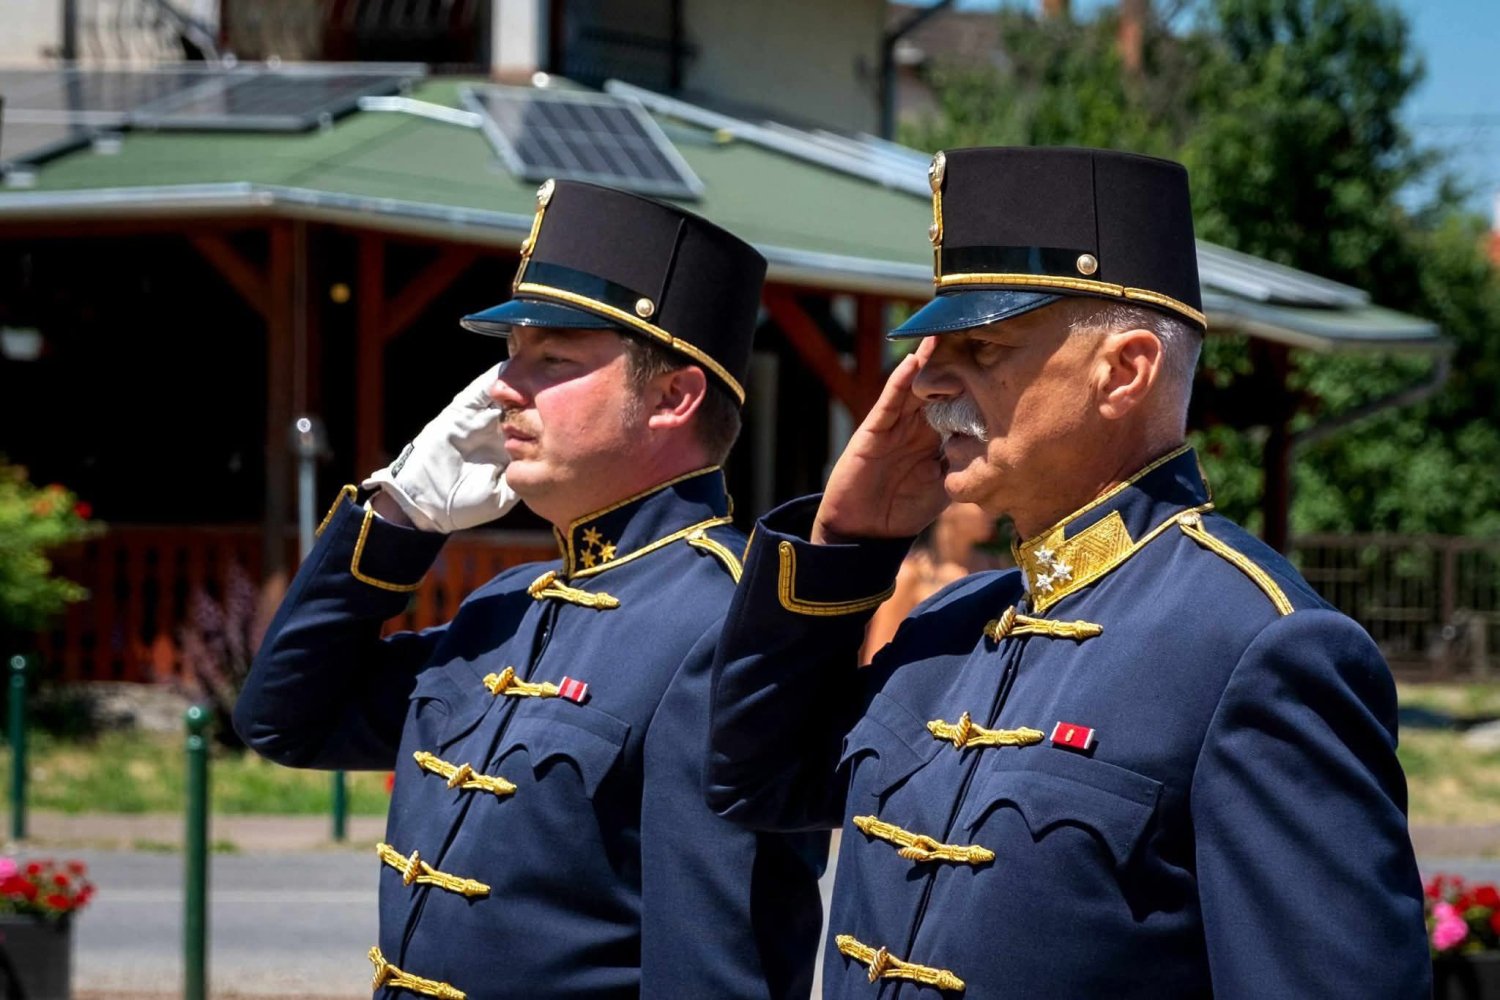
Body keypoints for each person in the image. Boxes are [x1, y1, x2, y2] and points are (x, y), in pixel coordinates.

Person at [706, 146, 1430, 997]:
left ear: (1123, 370)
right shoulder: (951, 622)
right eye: (934, 347)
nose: (927, 380)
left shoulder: (1259, 647)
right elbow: (750, 779)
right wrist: (845, 543)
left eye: (982, 350)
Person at [234, 179, 825, 1000]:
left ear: (672, 396)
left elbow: (711, 970)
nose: (503, 388)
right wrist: (401, 514)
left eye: (553, 359)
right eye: (512, 355)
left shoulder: (725, 624)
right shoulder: (508, 604)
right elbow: (285, 719)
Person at [861, 501, 997, 663]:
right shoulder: (910, 577)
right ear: (948, 508)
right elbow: (876, 661)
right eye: (978, 502)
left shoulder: (994, 566)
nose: (993, 511)